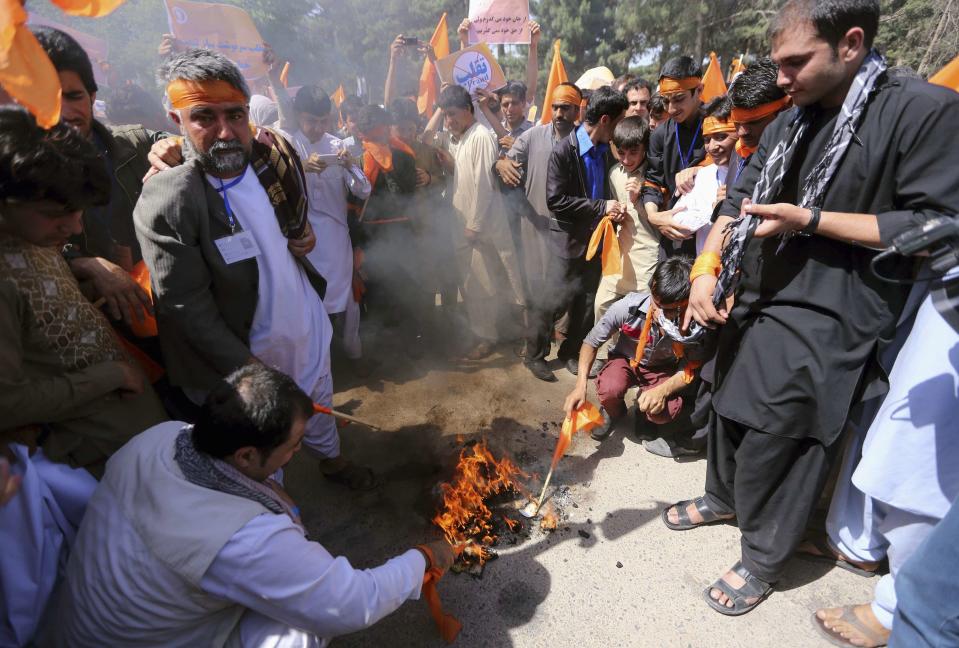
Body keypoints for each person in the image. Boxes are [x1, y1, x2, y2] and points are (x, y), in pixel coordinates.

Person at [667, 0, 959, 617]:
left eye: (795, 62)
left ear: (850, 44)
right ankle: (725, 497)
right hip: (755, 290)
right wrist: (703, 268)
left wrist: (814, 220)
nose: (781, 79)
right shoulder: (790, 119)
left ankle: (765, 555)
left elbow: (938, 223)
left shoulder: (920, 110)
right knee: (722, 401)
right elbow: (738, 200)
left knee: (784, 428)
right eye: (777, 64)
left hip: (834, 308)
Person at [54, 364, 456, 645]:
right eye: (294, 445)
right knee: (301, 631)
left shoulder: (159, 438)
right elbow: (351, 603)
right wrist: (424, 557)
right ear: (245, 456)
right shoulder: (244, 539)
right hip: (149, 641)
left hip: (85, 623)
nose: (297, 453)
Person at [134, 48, 373, 490]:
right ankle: (277, 510)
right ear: (176, 120)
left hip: (307, 332)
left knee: (320, 411)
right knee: (260, 456)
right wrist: (252, 373)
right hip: (250, 363)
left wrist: (306, 239)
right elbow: (186, 307)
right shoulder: (171, 194)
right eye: (205, 117)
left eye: (236, 115)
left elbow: (291, 230)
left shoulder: (271, 157)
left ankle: (334, 464)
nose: (226, 131)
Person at [0, 106, 167, 645]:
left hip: (132, 443)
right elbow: (6, 403)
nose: (73, 227)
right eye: (57, 214)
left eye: (78, 213)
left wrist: (86, 262)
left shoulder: (38, 237)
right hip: (90, 471)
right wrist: (108, 375)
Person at [32, 27, 164, 333]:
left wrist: (169, 147)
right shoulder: (21, 171)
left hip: (165, 309)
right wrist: (86, 264)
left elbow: (200, 146)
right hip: (94, 327)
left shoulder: (134, 143)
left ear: (92, 96)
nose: (64, 112)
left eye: (74, 96)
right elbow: (23, 252)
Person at [269, 67, 372, 365]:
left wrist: (351, 164)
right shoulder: (286, 143)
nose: (317, 127)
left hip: (337, 239)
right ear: (299, 117)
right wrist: (300, 166)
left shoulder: (337, 145)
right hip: (304, 242)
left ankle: (355, 353)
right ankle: (319, 363)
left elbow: (363, 190)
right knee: (310, 306)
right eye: (311, 121)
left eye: (323, 121)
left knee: (348, 302)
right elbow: (273, 184)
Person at [563, 257, 710, 448]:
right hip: (625, 360)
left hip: (662, 368)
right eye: (655, 303)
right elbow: (591, 343)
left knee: (664, 411)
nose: (657, 312)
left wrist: (662, 391)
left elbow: (691, 367)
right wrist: (580, 386)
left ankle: (645, 415)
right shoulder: (627, 306)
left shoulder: (694, 325)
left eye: (668, 310)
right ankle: (613, 411)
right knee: (609, 388)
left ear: (684, 303)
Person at [494, 81, 583, 382]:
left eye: (566, 108)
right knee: (540, 294)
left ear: (577, 110)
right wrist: (501, 163)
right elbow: (506, 161)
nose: (559, 113)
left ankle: (567, 352)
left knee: (569, 294)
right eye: (555, 107)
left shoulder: (584, 140)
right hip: (537, 228)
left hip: (573, 231)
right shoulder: (533, 136)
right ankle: (534, 356)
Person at [436, 84, 525, 360]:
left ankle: (525, 336)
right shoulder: (458, 139)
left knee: (506, 279)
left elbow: (484, 184)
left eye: (452, 114)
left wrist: (473, 225)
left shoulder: (481, 136)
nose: (448, 121)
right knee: (477, 286)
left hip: (485, 225)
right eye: (445, 116)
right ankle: (488, 336)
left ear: (468, 110)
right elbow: (428, 139)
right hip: (467, 226)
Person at [546, 85, 628, 376]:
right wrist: (601, 207)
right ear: (606, 120)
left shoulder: (608, 152)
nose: (620, 130)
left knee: (586, 300)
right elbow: (555, 201)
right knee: (553, 299)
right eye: (619, 122)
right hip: (567, 243)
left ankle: (570, 354)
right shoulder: (564, 151)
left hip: (596, 242)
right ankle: (534, 354)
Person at [592, 116, 659, 370]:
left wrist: (639, 198)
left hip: (647, 257)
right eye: (621, 152)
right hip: (620, 253)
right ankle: (601, 356)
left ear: (645, 148)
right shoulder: (614, 174)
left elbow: (658, 224)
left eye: (634, 152)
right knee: (602, 304)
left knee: (639, 316)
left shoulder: (654, 176)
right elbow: (616, 211)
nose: (627, 159)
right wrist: (614, 214)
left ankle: (631, 363)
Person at [642, 56, 705, 257]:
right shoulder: (660, 135)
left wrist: (698, 170)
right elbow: (652, 182)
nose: (671, 109)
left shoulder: (717, 126)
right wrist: (654, 216)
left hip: (709, 230)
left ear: (699, 90)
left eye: (679, 99)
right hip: (673, 230)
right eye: (666, 101)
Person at [671, 97, 738, 253]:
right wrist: (713, 210)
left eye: (721, 137)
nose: (713, 147)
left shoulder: (755, 173)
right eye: (707, 139)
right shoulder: (702, 177)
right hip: (706, 270)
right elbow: (677, 222)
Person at [496, 80, 534, 151]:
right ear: (500, 106)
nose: (510, 109)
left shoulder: (533, 133)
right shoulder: (493, 133)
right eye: (505, 105)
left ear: (523, 103)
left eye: (514, 103)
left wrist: (518, 148)